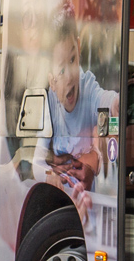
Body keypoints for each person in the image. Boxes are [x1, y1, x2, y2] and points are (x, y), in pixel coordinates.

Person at [39, 11, 118, 194]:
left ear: (79, 47)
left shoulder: (87, 85)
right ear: (51, 80)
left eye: (73, 60)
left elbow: (102, 98)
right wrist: (48, 172)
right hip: (59, 197)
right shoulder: (48, 101)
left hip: (87, 198)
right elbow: (38, 155)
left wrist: (115, 102)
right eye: (61, 71)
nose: (70, 77)